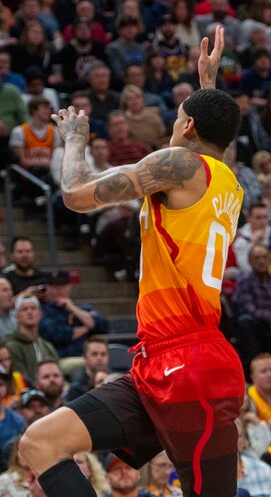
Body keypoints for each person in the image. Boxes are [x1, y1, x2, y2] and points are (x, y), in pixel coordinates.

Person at [19, 27, 247, 497]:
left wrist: (74, 140)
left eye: (178, 119)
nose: (173, 127)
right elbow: (214, 137)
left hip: (190, 366)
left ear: (187, 126)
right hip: (156, 363)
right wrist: (207, 88)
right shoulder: (228, 181)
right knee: (40, 442)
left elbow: (76, 195)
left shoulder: (179, 165)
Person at [4, 296, 59, 381]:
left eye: (33, 308)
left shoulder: (47, 346)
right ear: (16, 316)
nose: (29, 312)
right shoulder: (11, 346)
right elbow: (20, 378)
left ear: (40, 315)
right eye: (24, 309)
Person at [63, 336, 109, 403]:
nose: (99, 358)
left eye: (103, 354)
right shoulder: (77, 389)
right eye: (94, 354)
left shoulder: (115, 379)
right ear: (85, 357)